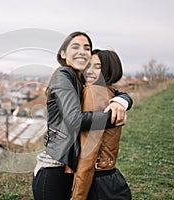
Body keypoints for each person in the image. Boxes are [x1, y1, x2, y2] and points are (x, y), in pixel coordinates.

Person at [32, 32, 133, 200]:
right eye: (75, 46)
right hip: (53, 169)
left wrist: (122, 101)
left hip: (68, 169)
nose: (82, 51)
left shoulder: (82, 81)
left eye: (87, 48)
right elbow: (75, 120)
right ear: (63, 54)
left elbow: (116, 91)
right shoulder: (63, 74)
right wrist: (114, 119)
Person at [71, 49, 132, 199]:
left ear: (109, 70)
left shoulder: (93, 92)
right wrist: (124, 100)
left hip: (97, 184)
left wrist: (77, 196)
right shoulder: (108, 93)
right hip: (109, 178)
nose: (89, 71)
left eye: (97, 67)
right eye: (88, 65)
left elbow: (88, 155)